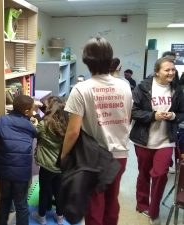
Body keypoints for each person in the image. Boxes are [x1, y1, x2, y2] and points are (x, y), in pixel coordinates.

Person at [61, 36, 132, 225]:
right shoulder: (125, 87)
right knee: (112, 200)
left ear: (86, 61)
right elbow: (128, 117)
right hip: (120, 154)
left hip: (92, 157)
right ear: (110, 58)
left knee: (94, 203)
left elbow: (73, 131)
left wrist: (63, 157)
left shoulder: (81, 89)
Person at [129, 56, 184, 225]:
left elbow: (182, 112)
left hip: (166, 140)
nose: (171, 73)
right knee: (144, 173)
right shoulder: (143, 87)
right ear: (157, 71)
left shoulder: (178, 90)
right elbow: (133, 111)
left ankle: (154, 211)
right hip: (144, 140)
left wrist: (174, 115)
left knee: (160, 174)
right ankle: (142, 204)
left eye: (173, 70)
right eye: (167, 70)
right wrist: (153, 115)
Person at [0, 94, 37, 225]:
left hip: (4, 170)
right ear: (26, 111)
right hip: (21, 173)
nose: (33, 112)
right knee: (21, 204)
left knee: (4, 200)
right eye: (32, 109)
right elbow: (35, 134)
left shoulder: (1, 120)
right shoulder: (29, 126)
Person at [32, 96, 69, 225]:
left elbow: (36, 132)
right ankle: (60, 216)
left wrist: (36, 115)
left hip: (47, 165)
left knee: (44, 191)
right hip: (62, 164)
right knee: (59, 191)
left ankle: (41, 216)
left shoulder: (44, 124)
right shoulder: (68, 123)